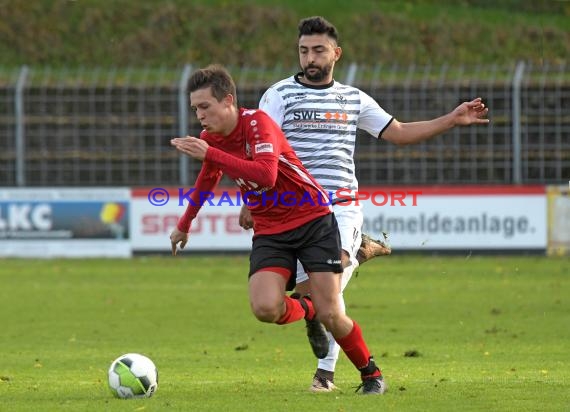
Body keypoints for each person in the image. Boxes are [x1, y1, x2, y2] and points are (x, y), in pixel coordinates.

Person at [239, 16, 490, 392]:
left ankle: (326, 374)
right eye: (304, 50)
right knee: (309, 297)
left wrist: (452, 119)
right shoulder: (278, 95)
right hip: (291, 206)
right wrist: (252, 198)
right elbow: (264, 150)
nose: (310, 57)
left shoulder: (353, 98)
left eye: (319, 50)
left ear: (335, 54)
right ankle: (354, 258)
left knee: (332, 289)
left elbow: (400, 133)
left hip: (340, 205)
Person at [169, 64, 387, 395]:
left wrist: (210, 153)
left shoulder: (258, 124)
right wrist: (184, 225)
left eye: (205, 106)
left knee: (332, 312)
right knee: (265, 308)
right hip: (271, 232)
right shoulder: (210, 139)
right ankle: (307, 308)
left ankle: (371, 374)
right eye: (195, 109)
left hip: (314, 221)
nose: (199, 115)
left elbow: (266, 176)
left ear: (228, 101)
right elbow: (208, 177)